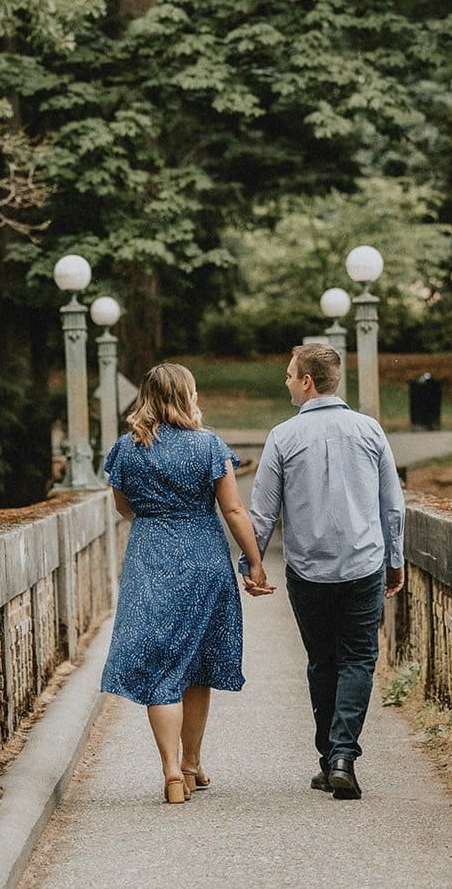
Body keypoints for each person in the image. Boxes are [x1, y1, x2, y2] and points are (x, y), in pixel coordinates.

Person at [100, 363, 274, 805]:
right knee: (197, 661)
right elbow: (234, 511)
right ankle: (193, 762)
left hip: (150, 556)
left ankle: (173, 771)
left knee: (161, 667)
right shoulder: (207, 445)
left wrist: (157, 522)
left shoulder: (126, 448)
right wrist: (254, 563)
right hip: (203, 556)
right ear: (187, 396)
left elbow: (124, 507)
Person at [244, 342, 404, 800]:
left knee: (322, 661)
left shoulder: (283, 437)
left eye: (291, 375)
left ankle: (330, 756)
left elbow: (262, 513)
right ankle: (342, 757)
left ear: (308, 382)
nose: (287, 382)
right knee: (357, 657)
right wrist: (395, 560)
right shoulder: (370, 430)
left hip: (308, 571)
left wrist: (253, 564)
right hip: (363, 565)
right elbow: (391, 505)